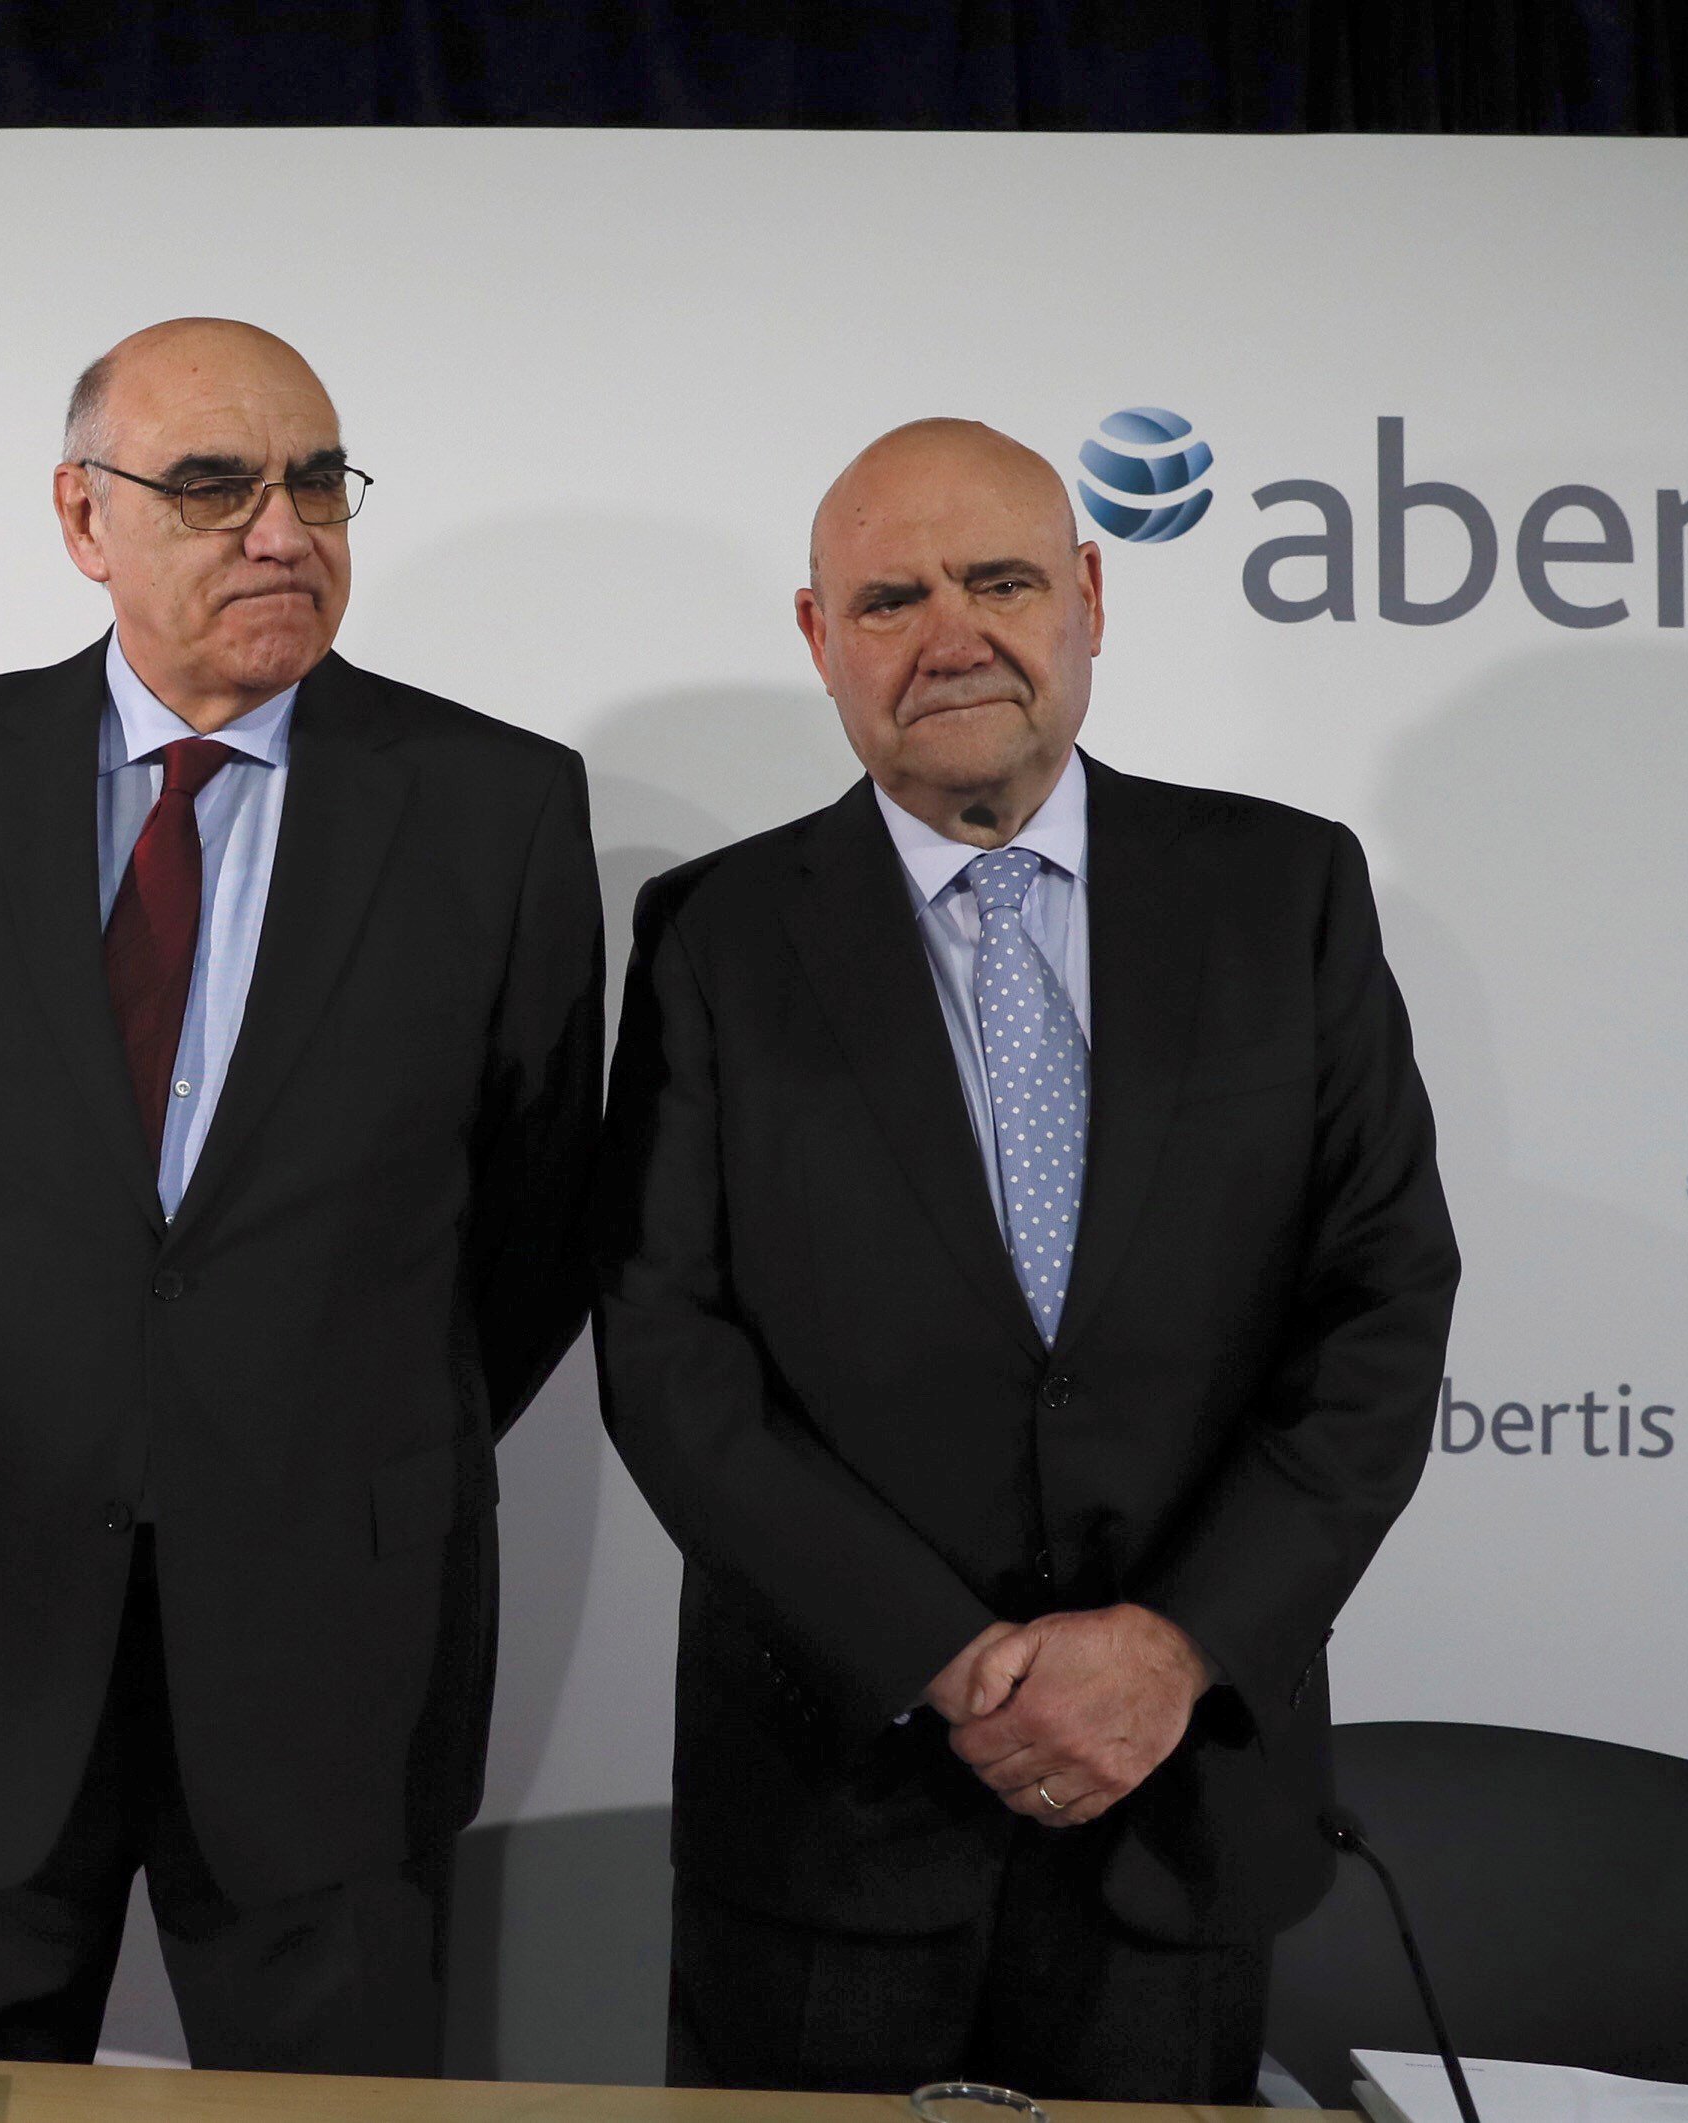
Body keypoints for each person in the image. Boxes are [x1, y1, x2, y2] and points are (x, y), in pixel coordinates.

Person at [590, 418, 1460, 2100]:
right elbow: (666, 1346)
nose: (951, 636)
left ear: (1086, 596)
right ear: (817, 636)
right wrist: (947, 1655)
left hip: (1177, 1799)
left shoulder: (1283, 893)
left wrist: (1176, 1648)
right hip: (836, 1812)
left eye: (998, 580)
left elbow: (1378, 1307)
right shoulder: (711, 936)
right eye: (890, 597)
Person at [0, 318, 602, 2074]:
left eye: (317, 480)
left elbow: (535, 1229)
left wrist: (305, 1409)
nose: (282, 529)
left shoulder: (497, 810)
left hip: (336, 1650)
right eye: (214, 485)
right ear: (82, 520)